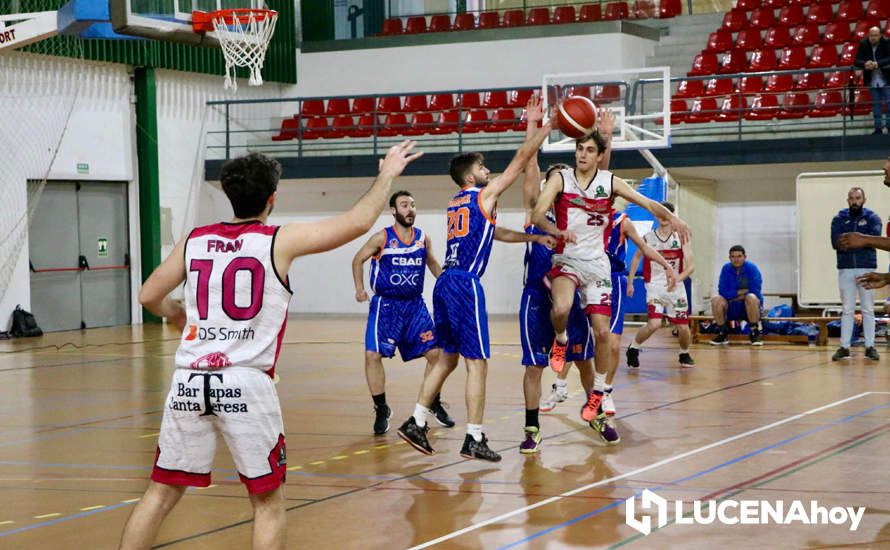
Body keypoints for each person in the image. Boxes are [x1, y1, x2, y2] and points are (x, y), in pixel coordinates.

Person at [119, 143, 423, 550]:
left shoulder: (195, 239)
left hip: (189, 381)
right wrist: (387, 174)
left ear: (230, 193)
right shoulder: (277, 240)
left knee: (160, 493)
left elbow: (148, 295)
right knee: (267, 501)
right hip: (245, 383)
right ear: (272, 198)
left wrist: (175, 314)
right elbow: (356, 222)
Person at [397, 98, 555, 462]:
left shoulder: (458, 202)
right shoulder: (483, 194)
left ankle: (417, 420)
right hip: (465, 284)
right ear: (472, 177)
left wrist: (533, 238)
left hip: (446, 284)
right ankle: (474, 436)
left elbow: (494, 233)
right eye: (483, 167)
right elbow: (518, 165)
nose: (488, 171)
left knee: (447, 359)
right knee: (476, 363)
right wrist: (543, 127)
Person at [531, 133, 689, 429]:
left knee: (603, 334)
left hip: (599, 268)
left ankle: (599, 391)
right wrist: (556, 229)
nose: (583, 154)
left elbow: (648, 203)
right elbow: (537, 213)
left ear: (598, 155)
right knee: (562, 309)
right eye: (579, 149)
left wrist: (673, 219)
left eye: (590, 150)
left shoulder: (611, 182)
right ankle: (561, 341)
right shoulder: (561, 179)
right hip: (567, 259)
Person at [521, 107, 614, 454]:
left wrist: (608, 137)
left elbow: (599, 183)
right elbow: (528, 164)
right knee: (534, 366)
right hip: (536, 295)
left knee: (585, 362)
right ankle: (532, 428)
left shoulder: (577, 207)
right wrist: (534, 126)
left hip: (571, 288)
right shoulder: (537, 207)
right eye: (553, 180)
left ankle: (598, 414)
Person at [352, 190, 453, 435]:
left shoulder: (422, 238)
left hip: (415, 306)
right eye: (404, 205)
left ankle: (431, 401)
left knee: (436, 356)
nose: (410, 209)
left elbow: (432, 263)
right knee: (372, 356)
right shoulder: (381, 238)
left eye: (413, 205)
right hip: (387, 306)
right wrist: (360, 289)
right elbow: (357, 259)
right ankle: (381, 408)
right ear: (394, 211)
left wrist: (447, 285)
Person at [603, 208, 678, 414]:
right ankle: (561, 383)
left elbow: (643, 249)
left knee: (613, 343)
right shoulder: (581, 215)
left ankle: (605, 390)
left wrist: (668, 267)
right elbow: (638, 256)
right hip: (592, 280)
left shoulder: (623, 222)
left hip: (668, 285)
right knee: (585, 340)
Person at [625, 201, 696, 368]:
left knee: (683, 327)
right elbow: (635, 259)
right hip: (654, 286)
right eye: (660, 213)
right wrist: (630, 282)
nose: (663, 217)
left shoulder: (681, 237)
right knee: (654, 324)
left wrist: (676, 280)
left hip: (676, 287)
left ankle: (684, 353)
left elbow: (691, 266)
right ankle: (633, 348)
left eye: (667, 214)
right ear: (656, 215)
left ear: (672, 216)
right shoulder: (648, 238)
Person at [830, 187, 882, 361]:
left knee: (868, 309)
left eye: (858, 198)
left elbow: (874, 240)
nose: (855, 201)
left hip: (867, 268)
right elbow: (836, 242)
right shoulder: (839, 219)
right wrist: (860, 241)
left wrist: (856, 241)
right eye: (851, 198)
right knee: (847, 310)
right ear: (847, 200)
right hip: (845, 269)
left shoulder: (872, 218)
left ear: (864, 200)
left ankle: (870, 346)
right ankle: (844, 347)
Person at [710, 245, 764, 346]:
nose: (736, 259)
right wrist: (741, 292)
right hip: (731, 307)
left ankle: (754, 333)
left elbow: (755, 291)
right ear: (729, 258)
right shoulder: (726, 269)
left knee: (751, 297)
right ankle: (722, 333)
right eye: (733, 257)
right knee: (716, 299)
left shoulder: (752, 268)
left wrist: (733, 296)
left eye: (739, 256)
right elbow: (722, 292)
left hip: (749, 307)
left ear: (745, 257)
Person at [854, 27, 890, 135]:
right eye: (871, 35)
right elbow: (856, 61)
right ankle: (878, 129)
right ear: (868, 35)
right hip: (872, 80)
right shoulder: (863, 44)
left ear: (880, 35)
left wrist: (877, 64)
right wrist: (865, 64)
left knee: (889, 106)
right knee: (876, 106)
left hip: (886, 79)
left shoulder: (886, 42)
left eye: (875, 35)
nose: (873, 38)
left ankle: (889, 128)